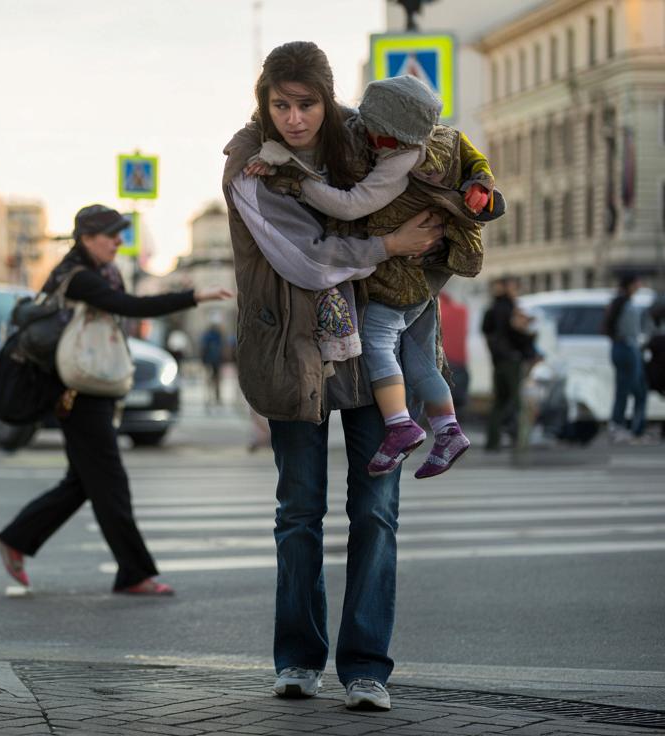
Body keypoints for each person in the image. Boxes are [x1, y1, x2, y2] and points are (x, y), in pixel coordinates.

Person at [221, 41, 444, 710]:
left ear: (328, 99)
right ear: (264, 103)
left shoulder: (363, 139)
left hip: (375, 354)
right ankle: (297, 659)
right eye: (280, 105)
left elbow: (433, 164)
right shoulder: (249, 163)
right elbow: (307, 258)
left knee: (377, 512)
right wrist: (388, 246)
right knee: (299, 513)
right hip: (295, 355)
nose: (293, 119)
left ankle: (367, 667)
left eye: (306, 104)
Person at [246, 74, 502, 478]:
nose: (372, 142)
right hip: (426, 278)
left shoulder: (402, 159)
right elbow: (476, 158)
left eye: (380, 138)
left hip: (400, 277)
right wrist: (482, 181)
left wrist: (298, 181)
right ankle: (448, 429)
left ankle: (400, 425)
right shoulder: (445, 136)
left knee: (377, 340)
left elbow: (352, 206)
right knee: (418, 358)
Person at [0, 204, 232, 596]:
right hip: (76, 392)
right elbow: (132, 306)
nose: (119, 241)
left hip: (93, 388)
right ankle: (134, 572)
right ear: (87, 238)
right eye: (111, 234)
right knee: (110, 482)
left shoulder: (102, 273)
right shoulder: (78, 278)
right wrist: (194, 295)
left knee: (84, 481)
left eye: (121, 233)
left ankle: (18, 538)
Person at [481, 277, 538, 451]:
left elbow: (486, 331)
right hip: (511, 359)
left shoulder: (492, 309)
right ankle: (519, 438)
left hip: (498, 360)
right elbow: (516, 334)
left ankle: (493, 441)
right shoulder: (510, 309)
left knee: (499, 402)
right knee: (516, 401)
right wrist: (529, 339)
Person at [604, 274, 650, 442]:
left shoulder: (622, 302)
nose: (639, 284)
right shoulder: (624, 303)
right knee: (630, 389)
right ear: (631, 284)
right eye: (637, 282)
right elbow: (628, 330)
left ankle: (628, 427)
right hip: (627, 348)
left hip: (624, 347)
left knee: (633, 389)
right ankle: (622, 427)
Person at [200, 318, 226, 407]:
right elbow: (222, 348)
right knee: (216, 378)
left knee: (210, 378)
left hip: (210, 359)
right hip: (215, 360)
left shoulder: (208, 336)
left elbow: (203, 348)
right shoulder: (218, 336)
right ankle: (216, 396)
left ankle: (211, 396)